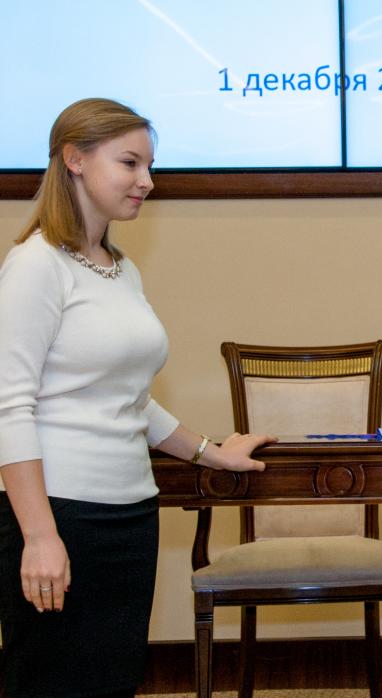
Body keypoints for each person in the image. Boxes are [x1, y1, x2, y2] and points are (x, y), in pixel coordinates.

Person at [0, 98, 275, 697]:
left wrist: (212, 452)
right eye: (130, 163)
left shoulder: (120, 269)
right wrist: (40, 537)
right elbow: (9, 408)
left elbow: (128, 398)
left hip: (131, 514)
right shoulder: (35, 265)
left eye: (150, 166)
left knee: (115, 682)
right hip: (61, 515)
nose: (146, 181)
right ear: (74, 159)